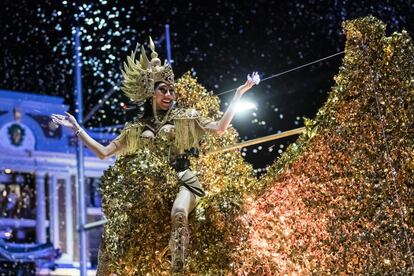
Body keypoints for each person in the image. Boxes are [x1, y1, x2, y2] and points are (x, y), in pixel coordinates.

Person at [51, 37, 259, 273]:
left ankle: (177, 268)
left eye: (172, 90)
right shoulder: (135, 129)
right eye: (163, 90)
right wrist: (77, 128)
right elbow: (103, 153)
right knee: (113, 236)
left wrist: (239, 93)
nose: (169, 94)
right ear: (151, 94)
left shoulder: (185, 117)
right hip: (153, 190)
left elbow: (220, 128)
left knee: (179, 213)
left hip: (183, 181)